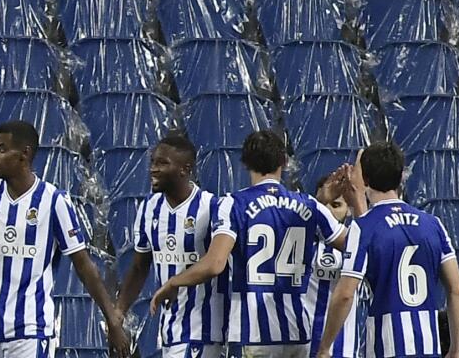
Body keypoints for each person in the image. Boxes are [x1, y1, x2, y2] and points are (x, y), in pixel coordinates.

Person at [0, 120, 132, 358]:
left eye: (1, 149)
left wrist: (113, 321)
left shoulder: (54, 200)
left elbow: (84, 266)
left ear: (24, 154)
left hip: (31, 332)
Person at [151, 130, 359, 357]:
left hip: (255, 332)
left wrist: (174, 282)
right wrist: (357, 203)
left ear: (245, 163)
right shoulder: (309, 204)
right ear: (284, 162)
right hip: (298, 331)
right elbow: (356, 245)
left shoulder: (234, 204)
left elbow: (214, 264)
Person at [315, 142, 459, 358]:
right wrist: (456, 349)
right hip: (428, 345)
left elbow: (345, 295)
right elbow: (457, 290)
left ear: (365, 180)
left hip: (387, 345)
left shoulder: (363, 227)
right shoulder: (433, 224)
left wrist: (324, 347)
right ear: (400, 176)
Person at [116, 133, 225, 358]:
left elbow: (219, 262)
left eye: (162, 163)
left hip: (202, 332)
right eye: (153, 162)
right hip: (169, 330)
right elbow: (139, 267)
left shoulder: (211, 206)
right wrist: (119, 313)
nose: (153, 169)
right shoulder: (149, 208)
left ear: (185, 169)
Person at [303, 172, 358, 358]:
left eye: (336, 205)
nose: (328, 212)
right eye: (324, 205)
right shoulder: (299, 241)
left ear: (349, 209)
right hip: (301, 346)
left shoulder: (356, 243)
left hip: (342, 349)